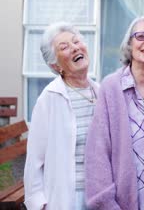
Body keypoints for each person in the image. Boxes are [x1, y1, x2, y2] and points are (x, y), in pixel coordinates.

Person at [85, 16, 144, 210]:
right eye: (140, 36)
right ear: (129, 44)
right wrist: (105, 203)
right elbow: (98, 152)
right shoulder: (111, 87)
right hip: (122, 203)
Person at [24, 22, 99, 210]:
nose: (75, 48)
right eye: (64, 47)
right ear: (55, 65)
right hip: (66, 198)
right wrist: (38, 203)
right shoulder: (49, 99)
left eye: (76, 41)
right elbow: (34, 161)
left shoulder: (102, 92)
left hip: (100, 193)